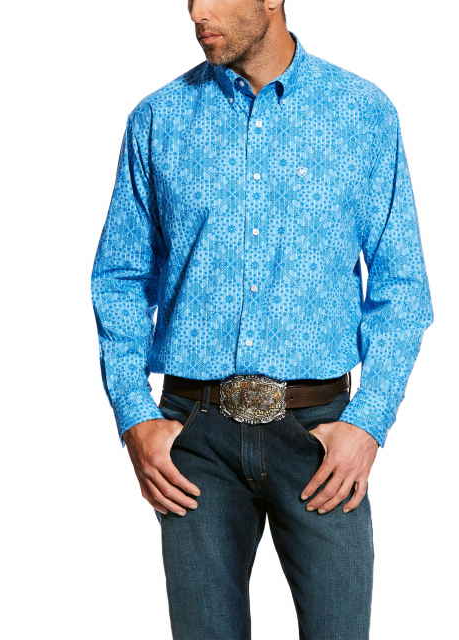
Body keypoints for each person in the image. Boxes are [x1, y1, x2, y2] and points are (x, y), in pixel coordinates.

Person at [90, 1, 434, 637]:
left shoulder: (361, 113)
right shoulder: (159, 119)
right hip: (194, 441)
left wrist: (368, 421)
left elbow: (401, 284)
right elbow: (119, 278)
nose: (197, 11)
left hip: (320, 437)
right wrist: (135, 415)